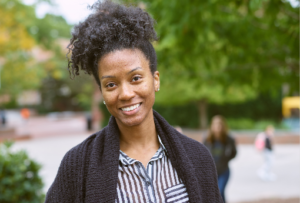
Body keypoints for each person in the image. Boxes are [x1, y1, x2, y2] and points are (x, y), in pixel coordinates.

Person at [45, 1, 222, 202]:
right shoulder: (77, 165)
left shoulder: (198, 157)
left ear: (155, 80)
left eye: (136, 78)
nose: (126, 94)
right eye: (111, 84)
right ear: (102, 92)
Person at [204, 115, 237, 203]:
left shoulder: (228, 139)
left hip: (224, 171)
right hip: (211, 172)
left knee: (220, 190)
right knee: (214, 193)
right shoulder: (207, 139)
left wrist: (226, 159)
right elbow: (201, 152)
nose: (217, 127)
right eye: (215, 125)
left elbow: (234, 153)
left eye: (219, 125)